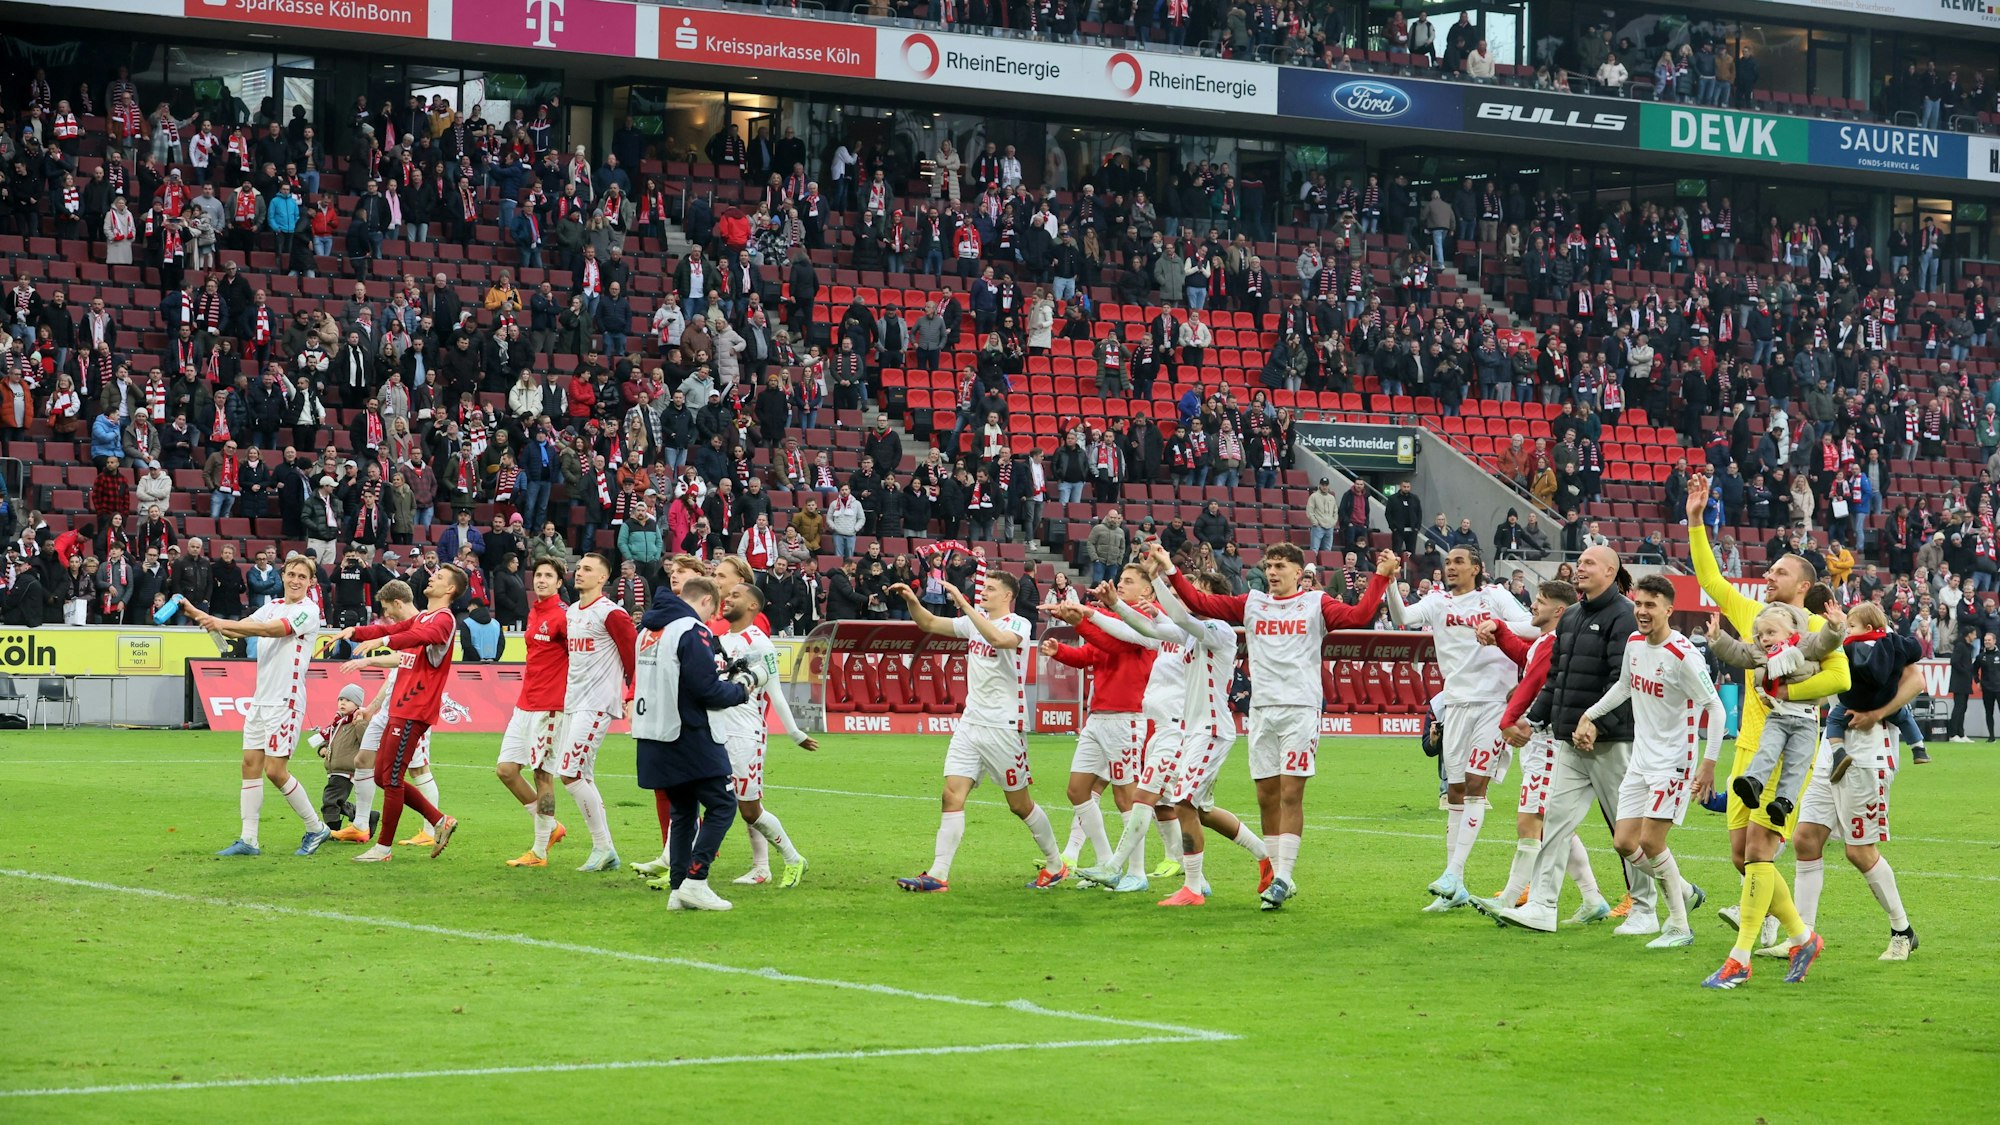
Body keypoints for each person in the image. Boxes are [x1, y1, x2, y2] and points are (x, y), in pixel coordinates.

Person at [1166, 544, 1397, 910]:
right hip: (1262, 710)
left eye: (1279, 566)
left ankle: (1284, 876)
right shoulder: (1253, 603)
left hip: (1300, 709)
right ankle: (1276, 874)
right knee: (1266, 796)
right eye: (1269, 566)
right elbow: (1198, 602)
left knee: (1291, 793)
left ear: (1297, 572)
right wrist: (1169, 569)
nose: (1272, 572)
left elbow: (1359, 616)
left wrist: (1380, 578)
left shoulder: (1316, 603)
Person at [1681, 474, 1843, 988]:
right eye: (1770, 570)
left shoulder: (1815, 629)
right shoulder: (1756, 615)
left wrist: (1785, 690)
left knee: (1757, 853)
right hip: (1748, 750)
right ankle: (1801, 935)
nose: (1769, 575)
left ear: (1803, 585)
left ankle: (1740, 958)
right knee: (1741, 856)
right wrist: (1695, 521)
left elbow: (1840, 678)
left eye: (1780, 571)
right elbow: (1712, 582)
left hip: (1785, 749)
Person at [1492, 545, 1656, 934]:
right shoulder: (1572, 617)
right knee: (1556, 822)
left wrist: (1598, 722)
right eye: (1579, 562)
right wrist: (1535, 719)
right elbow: (1557, 678)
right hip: (1569, 740)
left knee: (1626, 830)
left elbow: (1624, 681)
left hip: (1611, 742)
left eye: (1589, 563)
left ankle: (1647, 908)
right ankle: (1542, 906)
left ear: (1610, 571)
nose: (1580, 568)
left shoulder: (1624, 616)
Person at [890, 574, 1070, 892]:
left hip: (1004, 726)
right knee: (951, 794)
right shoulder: (974, 622)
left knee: (1020, 805)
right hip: (971, 722)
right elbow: (929, 623)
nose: (983, 592)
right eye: (983, 588)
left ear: (1007, 596)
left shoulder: (1019, 624)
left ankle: (1055, 865)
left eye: (990, 589)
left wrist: (964, 605)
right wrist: (912, 601)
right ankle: (938, 874)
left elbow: (999, 640)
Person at [1574, 575, 1723, 949]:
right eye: (1638, 604)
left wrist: (1708, 764)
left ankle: (1679, 926)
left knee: (1651, 842)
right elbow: (1624, 687)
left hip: (1674, 762)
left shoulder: (1683, 656)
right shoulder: (1634, 643)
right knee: (1625, 842)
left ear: (1668, 610)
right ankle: (1683, 889)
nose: (1641, 611)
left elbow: (1715, 708)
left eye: (1650, 605)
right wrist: (1590, 714)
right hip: (1641, 760)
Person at [1385, 546, 1536, 911]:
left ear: (1476, 568)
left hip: (1493, 703)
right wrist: (1390, 580)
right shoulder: (1437, 602)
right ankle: (1456, 889)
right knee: (1454, 790)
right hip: (1454, 703)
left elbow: (1532, 625)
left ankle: (1453, 873)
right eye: (1448, 562)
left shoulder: (1495, 596)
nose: (1451, 567)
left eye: (1459, 562)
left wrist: (1497, 626)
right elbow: (1402, 616)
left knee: (1474, 784)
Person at [1785, 601, 1923, 962]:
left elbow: (1917, 680)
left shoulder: (1883, 638)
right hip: (1832, 753)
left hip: (1868, 755)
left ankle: (1902, 932)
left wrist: (1876, 713)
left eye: (1779, 574)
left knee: (1859, 851)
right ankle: (1803, 936)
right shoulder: (1829, 634)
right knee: (1805, 838)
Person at [1472, 579, 1605, 915]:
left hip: (1545, 740)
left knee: (1530, 822)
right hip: (1541, 740)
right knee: (1554, 825)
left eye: (1540, 601)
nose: (1533, 605)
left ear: (1559, 610)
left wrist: (1508, 719)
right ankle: (1593, 899)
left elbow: (1532, 682)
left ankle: (1508, 899)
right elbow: (1524, 657)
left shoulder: (1556, 642)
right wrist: (1500, 629)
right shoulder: (1546, 642)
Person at [188, 555, 333, 857]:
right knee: (250, 765)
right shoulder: (273, 605)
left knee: (276, 771)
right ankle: (249, 839)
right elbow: (238, 629)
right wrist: (204, 617)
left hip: (285, 700)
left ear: (311, 582)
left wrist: (219, 622)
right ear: (283, 576)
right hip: (261, 699)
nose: (295, 580)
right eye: (291, 574)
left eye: (302, 576)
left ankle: (316, 827)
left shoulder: (308, 610)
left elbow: (271, 630)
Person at [630, 575, 753, 911]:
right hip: (690, 733)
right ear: (706, 601)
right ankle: (696, 881)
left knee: (683, 812)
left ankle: (678, 889)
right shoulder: (691, 629)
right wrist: (741, 690)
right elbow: (706, 689)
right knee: (723, 805)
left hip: (654, 734)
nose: (712, 619)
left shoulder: (648, 630)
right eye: (713, 611)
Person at [333, 566, 467, 862]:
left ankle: (383, 848)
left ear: (450, 590)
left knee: (392, 778)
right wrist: (355, 632)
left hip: (415, 708)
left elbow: (418, 636)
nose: (432, 577)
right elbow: (388, 630)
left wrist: (382, 642)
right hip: (401, 706)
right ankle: (439, 820)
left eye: (440, 577)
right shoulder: (424, 617)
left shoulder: (444, 619)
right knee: (383, 777)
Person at [1044, 568, 1159, 888]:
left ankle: (1136, 872)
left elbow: (1116, 644)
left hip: (1126, 718)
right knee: (1077, 790)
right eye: (1120, 581)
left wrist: (1081, 617)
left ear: (1148, 592)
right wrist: (1061, 651)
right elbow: (1093, 652)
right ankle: (1105, 862)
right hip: (1098, 717)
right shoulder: (1112, 619)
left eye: (1128, 582)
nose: (1120, 585)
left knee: (1126, 796)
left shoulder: (1148, 619)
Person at [710, 582, 817, 888]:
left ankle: (793, 859)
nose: (727, 599)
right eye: (727, 595)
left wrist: (795, 733)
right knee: (699, 797)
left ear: (753, 606)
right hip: (716, 730)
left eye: (735, 596)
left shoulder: (760, 643)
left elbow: (775, 691)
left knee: (750, 810)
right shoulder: (719, 640)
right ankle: (678, 864)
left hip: (745, 734)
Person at [555, 552, 637, 873]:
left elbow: (633, 658)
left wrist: (632, 696)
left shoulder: (612, 613)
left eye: (588, 569)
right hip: (573, 703)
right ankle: (605, 851)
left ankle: (603, 846)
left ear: (603, 578)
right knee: (583, 776)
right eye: (579, 568)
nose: (580, 573)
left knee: (569, 773)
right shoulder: (573, 612)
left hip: (597, 703)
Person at [495, 559, 571, 867]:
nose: (541, 580)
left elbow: (579, 658)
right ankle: (550, 827)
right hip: (524, 703)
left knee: (542, 774)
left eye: (548, 576)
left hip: (550, 707)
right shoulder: (535, 611)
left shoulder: (564, 616)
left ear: (559, 583)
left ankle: (539, 852)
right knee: (506, 770)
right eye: (538, 574)